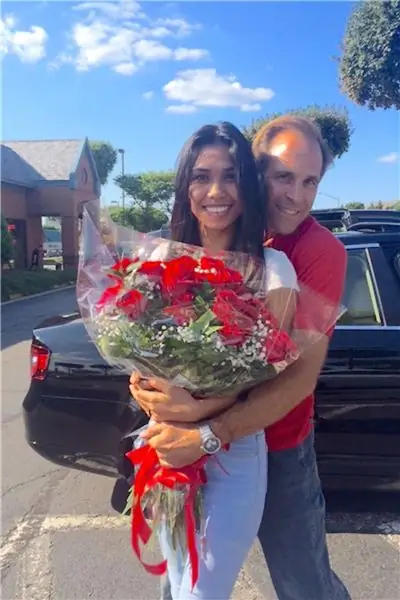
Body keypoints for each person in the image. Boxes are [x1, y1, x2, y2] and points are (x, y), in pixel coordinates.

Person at [131, 116, 351, 600]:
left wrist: (203, 424)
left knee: (303, 583)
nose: (295, 195)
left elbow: (296, 380)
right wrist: (154, 398)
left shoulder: (314, 254)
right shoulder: (210, 236)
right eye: (283, 177)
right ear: (257, 173)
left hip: (277, 445)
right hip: (188, 442)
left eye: (310, 181)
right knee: (182, 581)